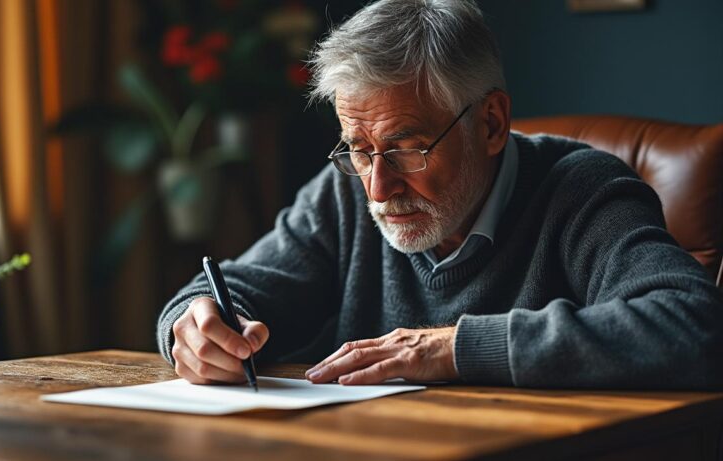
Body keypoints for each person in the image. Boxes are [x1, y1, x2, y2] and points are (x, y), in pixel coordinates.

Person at [157, 0, 723, 389]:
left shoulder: (582, 190)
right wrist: (194, 327)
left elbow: (695, 327)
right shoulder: (347, 189)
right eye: (358, 147)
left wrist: (455, 348)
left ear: (492, 124)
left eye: (408, 148)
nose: (378, 187)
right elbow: (229, 291)